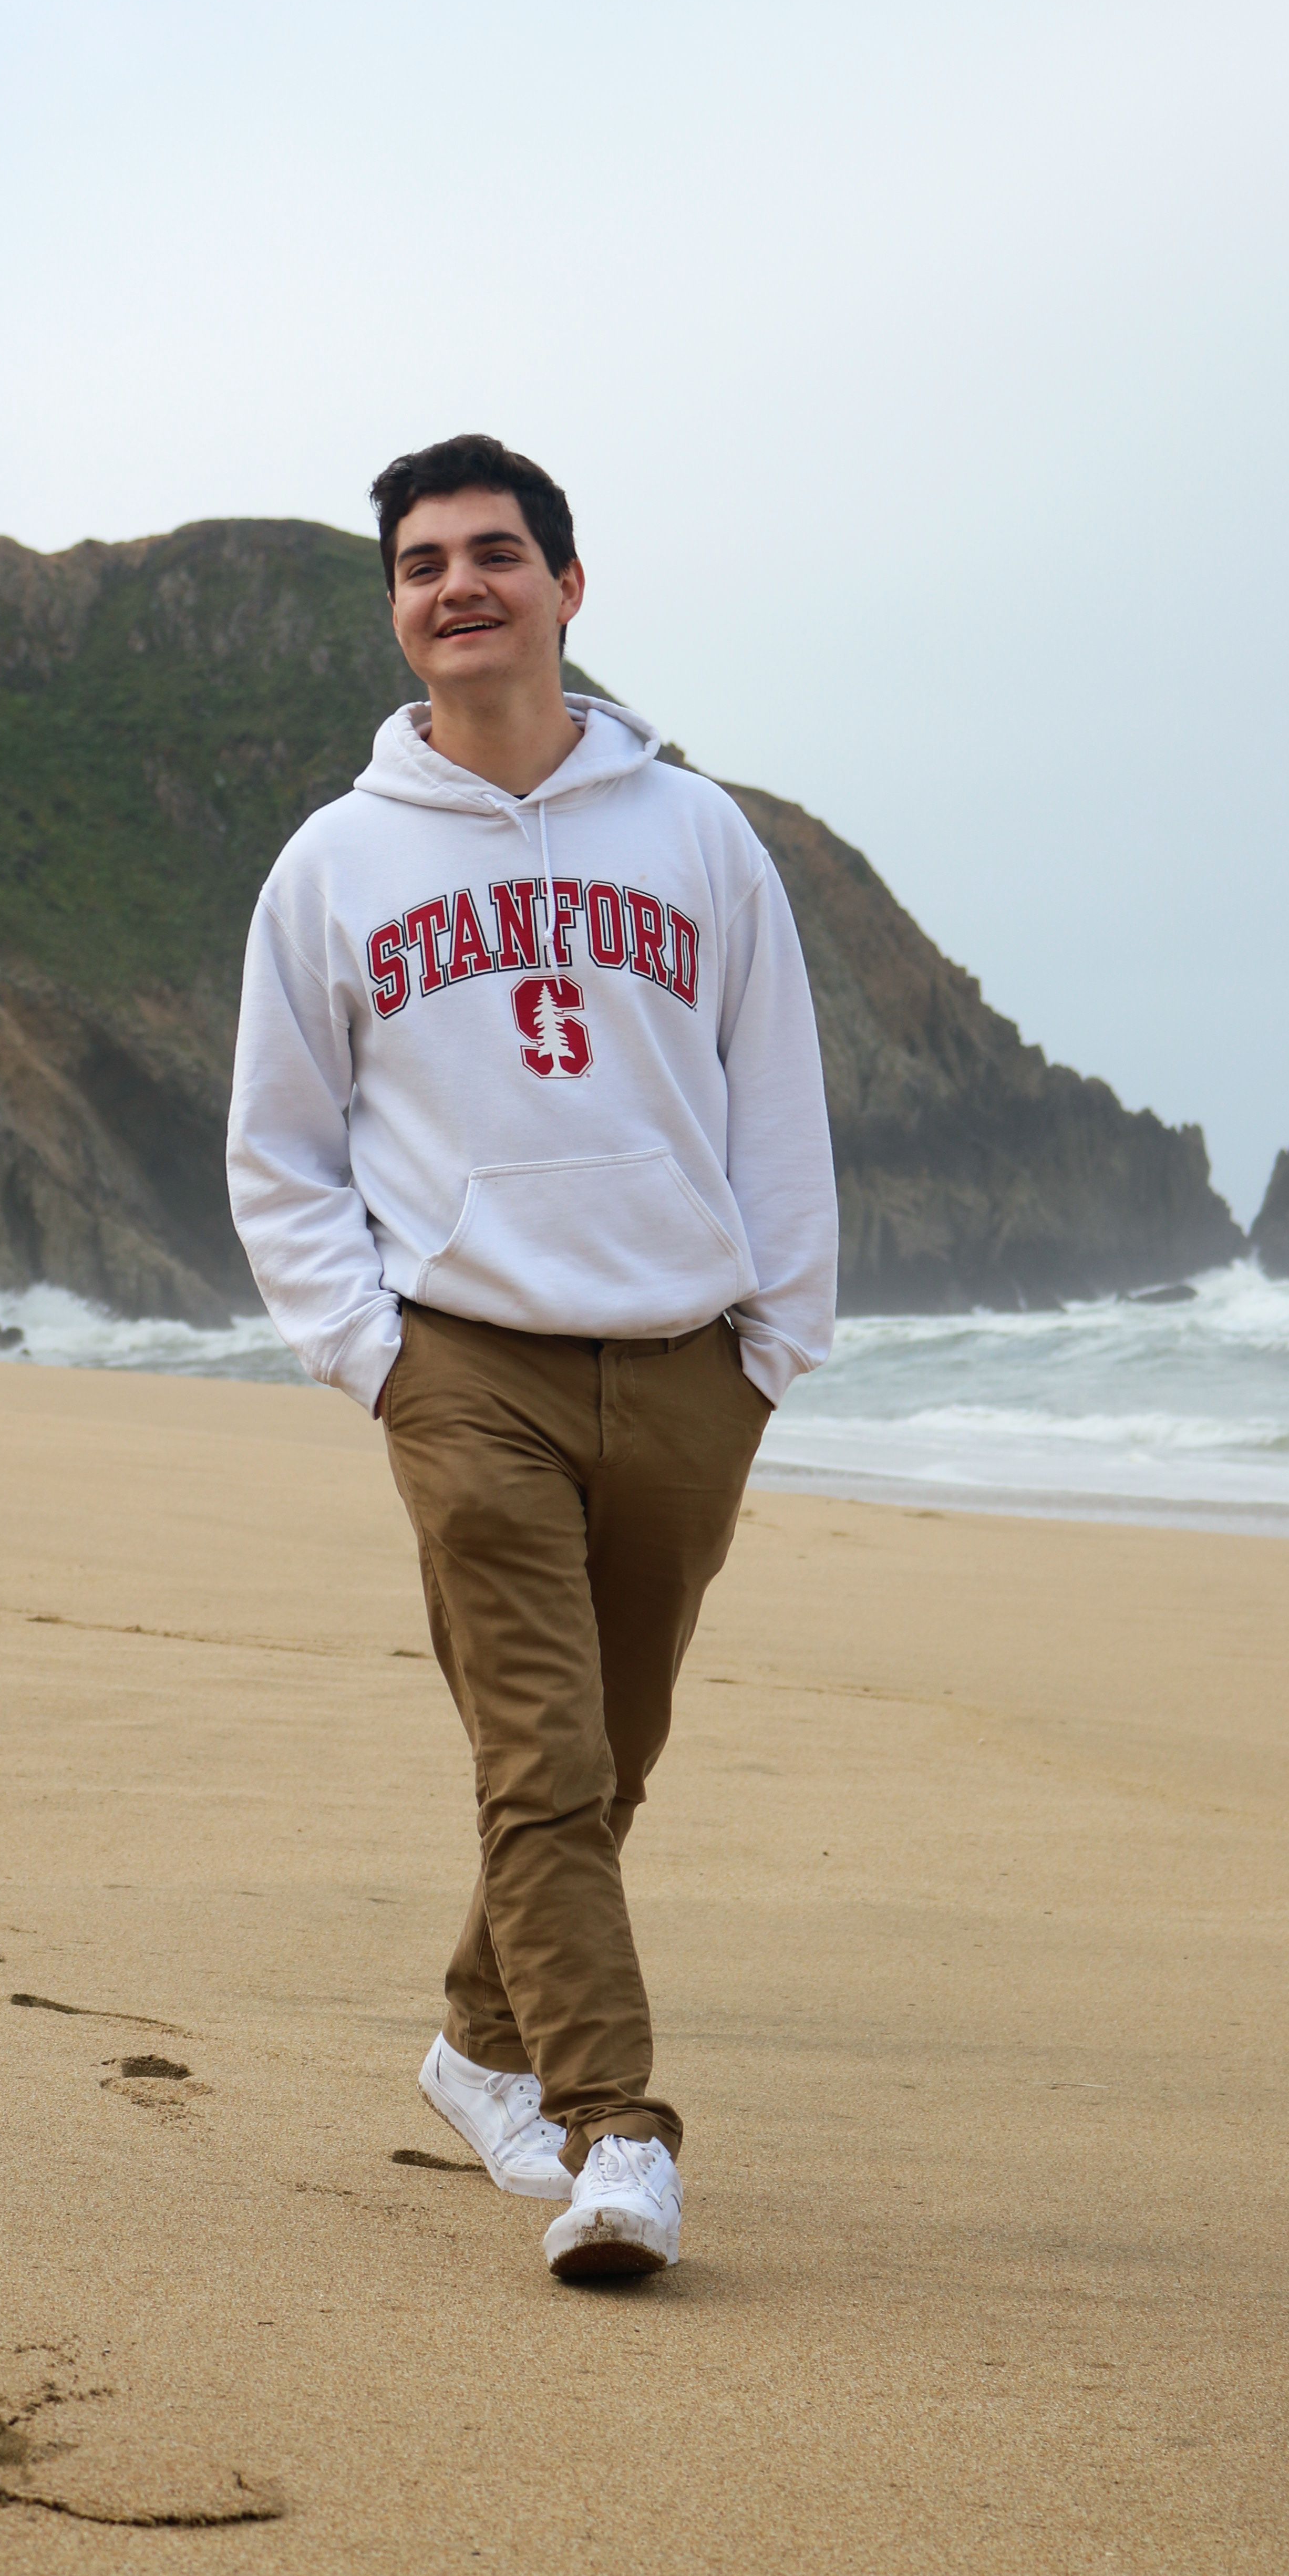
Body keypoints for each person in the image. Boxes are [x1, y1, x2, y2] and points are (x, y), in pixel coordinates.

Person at [226, 431, 837, 2279]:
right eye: (423, 564)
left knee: (612, 1751)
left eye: (496, 553)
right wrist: (374, 1356)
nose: (459, 585)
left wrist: (770, 1348)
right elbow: (282, 1147)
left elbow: (779, 1095)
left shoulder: (698, 832)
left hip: (681, 1365)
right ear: (398, 611)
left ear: (570, 588)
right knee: (544, 1759)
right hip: (466, 1362)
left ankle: (476, 2040)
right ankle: (617, 2136)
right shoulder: (335, 866)